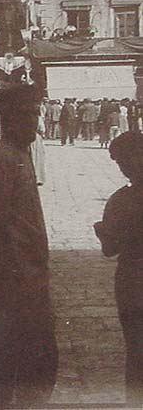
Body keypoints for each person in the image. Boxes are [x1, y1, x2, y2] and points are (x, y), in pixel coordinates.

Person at [0, 83, 58, 408]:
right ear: (8, 119)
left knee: (35, 360)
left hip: (29, 275)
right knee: (6, 363)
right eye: (26, 116)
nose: (33, 122)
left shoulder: (20, 155)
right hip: (13, 279)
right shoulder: (1, 161)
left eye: (35, 114)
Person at [94, 132, 143, 406]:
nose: (122, 167)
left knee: (137, 354)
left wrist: (102, 232)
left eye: (123, 161)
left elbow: (110, 249)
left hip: (133, 284)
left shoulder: (121, 201)